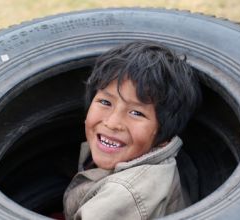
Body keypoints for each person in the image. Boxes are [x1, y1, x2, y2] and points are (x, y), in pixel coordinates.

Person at [63, 40, 201, 220]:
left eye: (136, 113)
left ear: (164, 135)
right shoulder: (132, 151)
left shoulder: (123, 195)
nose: (113, 123)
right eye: (105, 102)